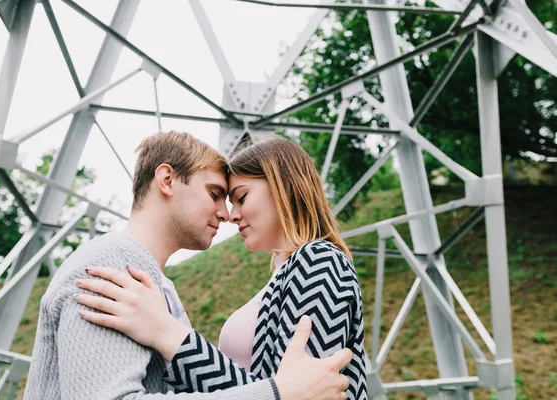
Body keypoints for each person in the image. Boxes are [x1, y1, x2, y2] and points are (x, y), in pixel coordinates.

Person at [23, 131, 352, 400]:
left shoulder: (316, 260)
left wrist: (169, 333)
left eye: (239, 197)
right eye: (216, 194)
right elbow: (284, 390)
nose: (227, 214)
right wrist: (276, 393)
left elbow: (309, 390)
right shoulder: (113, 264)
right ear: (166, 180)